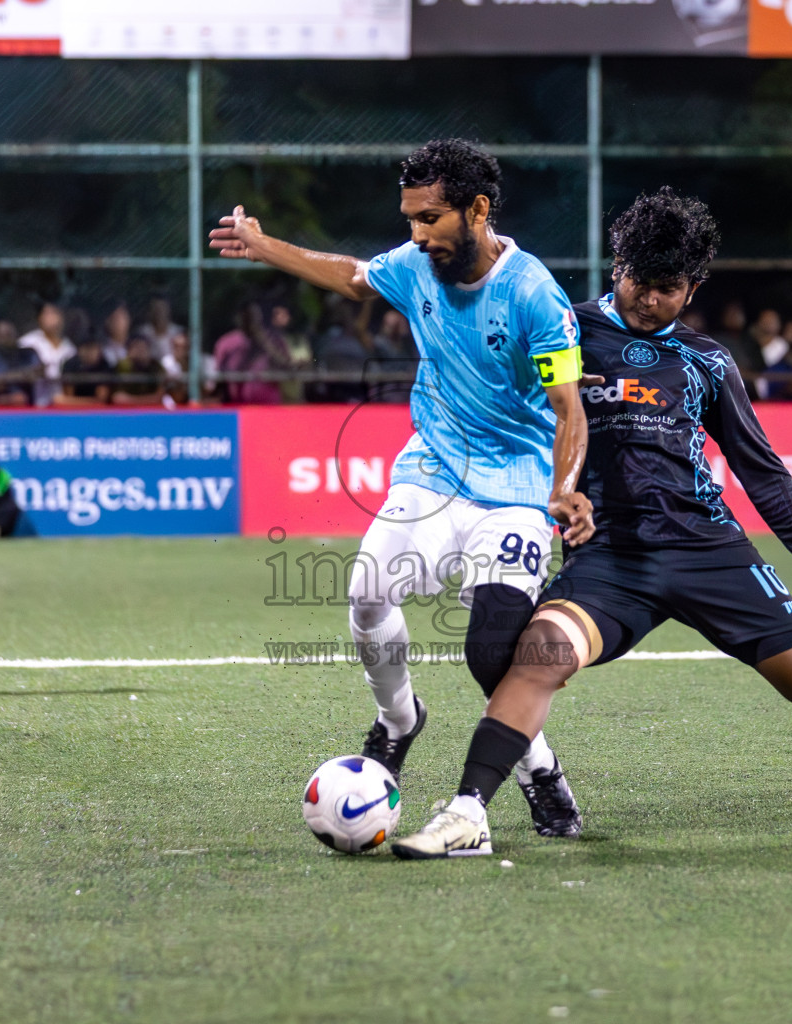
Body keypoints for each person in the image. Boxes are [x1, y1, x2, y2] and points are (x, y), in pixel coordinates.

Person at [393, 189, 792, 859]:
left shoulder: (707, 361)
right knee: (536, 662)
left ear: (693, 288)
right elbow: (501, 400)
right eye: (636, 281)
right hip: (609, 556)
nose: (647, 299)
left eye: (666, 288)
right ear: (616, 263)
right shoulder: (565, 328)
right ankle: (467, 812)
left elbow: (761, 469)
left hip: (709, 551)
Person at [210, 138, 594, 837]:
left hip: (516, 487)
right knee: (366, 591)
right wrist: (266, 247)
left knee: (491, 654)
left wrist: (565, 489)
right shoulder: (416, 265)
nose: (417, 235)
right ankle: (399, 719)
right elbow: (355, 275)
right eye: (410, 218)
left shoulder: (535, 293)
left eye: (431, 218)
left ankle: (539, 769)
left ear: (478, 210)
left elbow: (570, 408)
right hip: (435, 466)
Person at [55, 332, 112, 406]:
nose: (91, 352)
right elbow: (67, 397)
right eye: (87, 348)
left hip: (98, 411)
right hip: (75, 409)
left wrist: (89, 402)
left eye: (94, 348)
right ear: (80, 350)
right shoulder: (70, 364)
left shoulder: (104, 365)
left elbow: (101, 400)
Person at [111, 335, 166, 406]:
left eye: (144, 347)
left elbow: (159, 397)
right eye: (137, 348)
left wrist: (134, 401)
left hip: (152, 410)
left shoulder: (156, 366)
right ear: (129, 351)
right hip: (127, 411)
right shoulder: (123, 366)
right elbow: (117, 398)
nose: (141, 351)